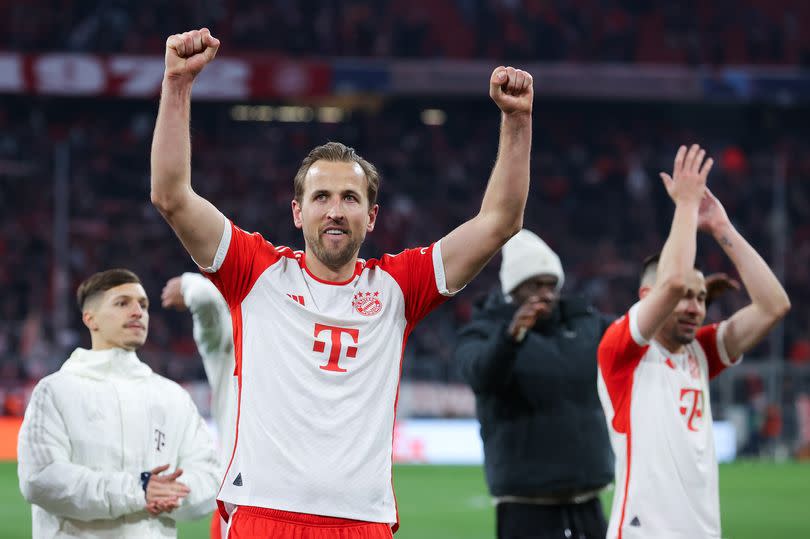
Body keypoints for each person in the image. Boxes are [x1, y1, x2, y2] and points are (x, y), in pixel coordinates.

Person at [150, 27, 534, 537]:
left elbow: (500, 221)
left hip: (361, 522)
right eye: (321, 197)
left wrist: (517, 120)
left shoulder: (400, 287)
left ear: (371, 217)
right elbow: (171, 195)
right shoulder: (254, 271)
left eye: (350, 198)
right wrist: (176, 83)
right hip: (264, 515)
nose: (335, 211)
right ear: (296, 211)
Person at [597, 145, 790, 539]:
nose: (695, 306)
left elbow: (774, 306)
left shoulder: (699, 352)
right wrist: (685, 206)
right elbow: (674, 281)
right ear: (645, 295)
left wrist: (722, 228)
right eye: (687, 296)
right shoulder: (623, 349)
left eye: (702, 298)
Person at [17, 268, 220, 538]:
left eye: (144, 305)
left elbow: (210, 475)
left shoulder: (173, 397)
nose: (138, 312)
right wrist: (138, 490)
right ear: (90, 319)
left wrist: (171, 493)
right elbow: (40, 479)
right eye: (122, 303)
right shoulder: (55, 391)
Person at [455, 229, 614, 539]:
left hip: (587, 501)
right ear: (513, 290)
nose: (547, 293)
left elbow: (633, 333)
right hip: (524, 505)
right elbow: (480, 375)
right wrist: (511, 336)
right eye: (536, 285)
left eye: (552, 284)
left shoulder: (584, 325)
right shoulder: (483, 332)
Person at [162, 272, 236, 539]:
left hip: (246, 501)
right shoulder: (227, 337)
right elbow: (205, 299)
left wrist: (188, 283)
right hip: (244, 505)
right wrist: (189, 284)